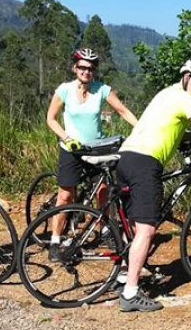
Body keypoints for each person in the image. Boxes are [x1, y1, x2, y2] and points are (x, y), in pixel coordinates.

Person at [115, 59, 191, 312]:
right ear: (186, 76)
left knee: (135, 225)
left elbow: (167, 126)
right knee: (147, 230)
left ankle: (122, 276)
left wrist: (186, 138)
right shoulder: (186, 100)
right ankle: (130, 294)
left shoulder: (166, 93)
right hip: (145, 162)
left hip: (125, 156)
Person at [44, 48, 138, 257]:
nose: (86, 72)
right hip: (71, 149)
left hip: (96, 149)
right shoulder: (64, 90)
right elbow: (51, 118)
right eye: (82, 67)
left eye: (91, 68)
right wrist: (66, 138)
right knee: (66, 196)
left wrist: (141, 128)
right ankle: (55, 240)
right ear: (75, 68)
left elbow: (122, 111)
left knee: (103, 191)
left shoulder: (102, 89)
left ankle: (104, 229)